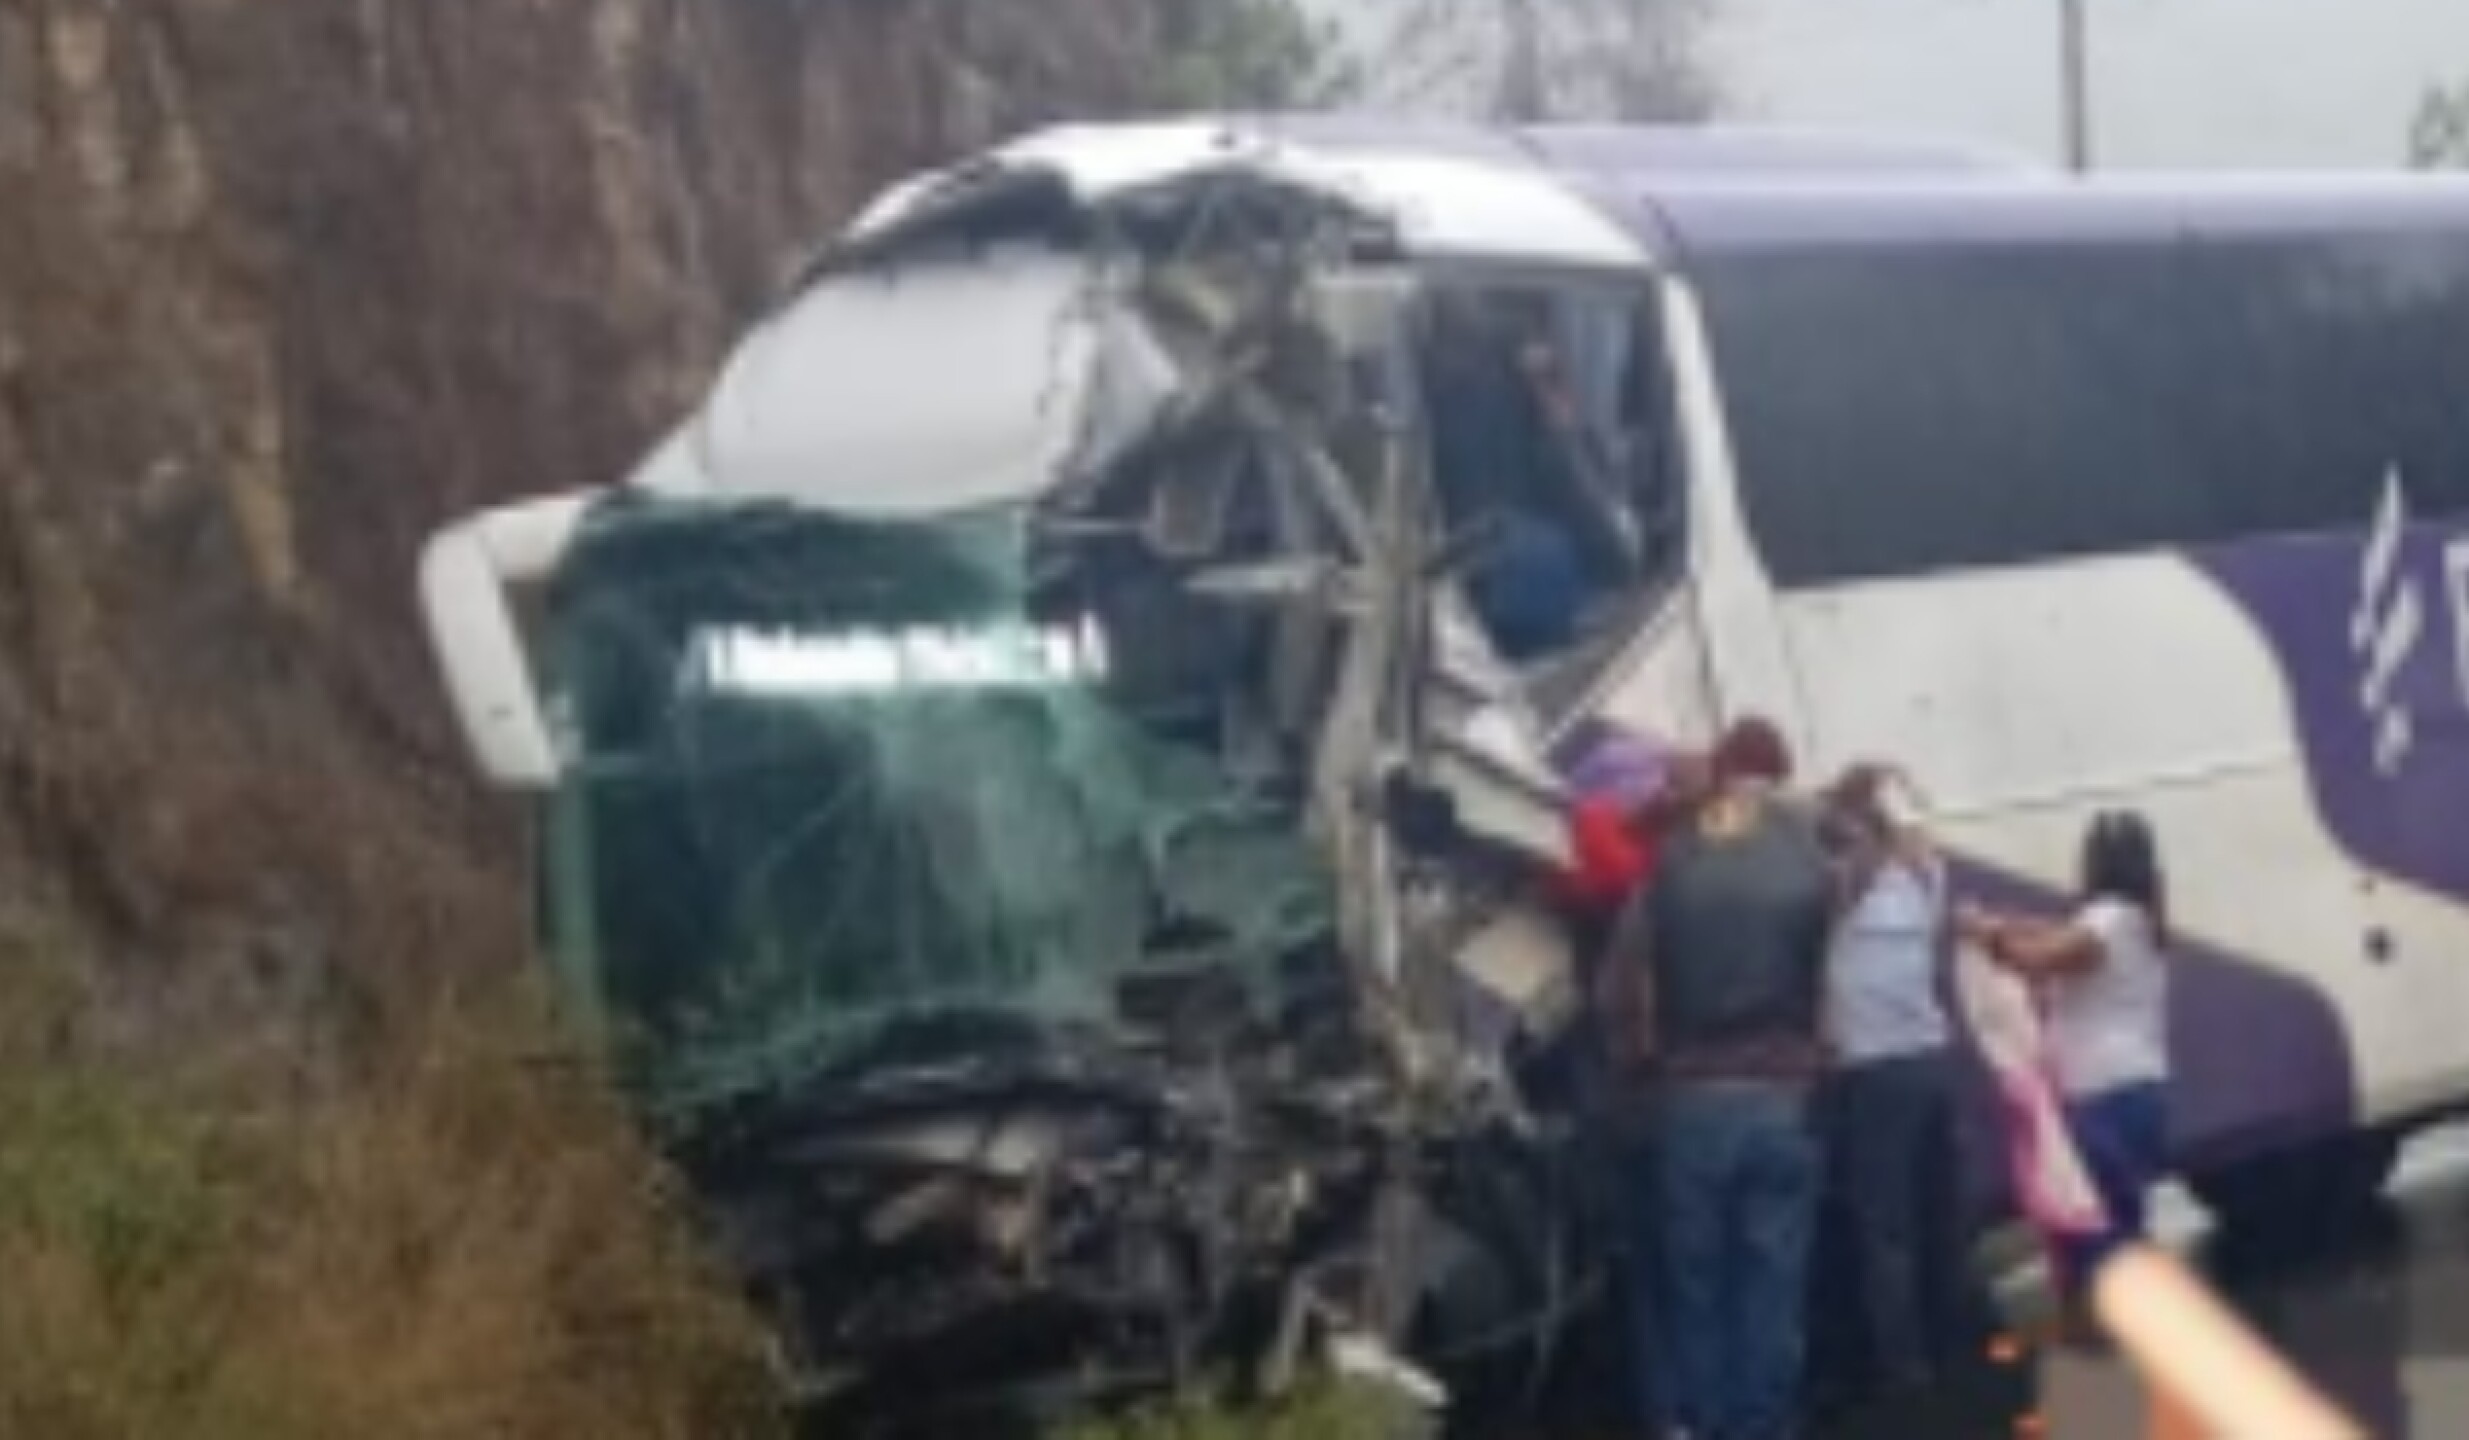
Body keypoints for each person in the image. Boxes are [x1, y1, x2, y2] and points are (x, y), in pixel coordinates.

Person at [1607, 715, 1834, 1440]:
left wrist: (1638, 1065)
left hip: (1691, 1102)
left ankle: (1702, 1425)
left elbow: (1626, 991)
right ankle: (1762, 1425)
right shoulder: (1807, 857)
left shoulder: (1668, 865)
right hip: (1780, 1099)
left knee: (1696, 1284)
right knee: (1771, 1282)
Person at [1959, 811, 2173, 1299]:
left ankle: (2112, 1337)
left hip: (2102, 1095)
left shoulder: (2109, 920)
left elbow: (2038, 957)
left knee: (2094, 1230)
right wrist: (2007, 923)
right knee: (2123, 1224)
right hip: (2140, 1089)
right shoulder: (2141, 918)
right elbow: (2055, 932)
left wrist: (1985, 936)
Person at [1809, 764, 1970, 1406]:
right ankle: (1950, 1344)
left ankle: (1903, 1372)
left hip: (1872, 1069)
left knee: (1886, 1228)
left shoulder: (1841, 882)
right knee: (1938, 1212)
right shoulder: (1926, 875)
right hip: (1930, 1057)